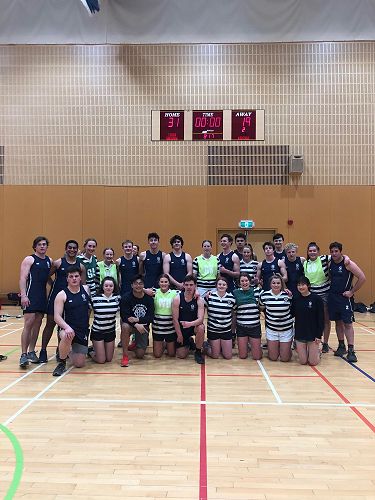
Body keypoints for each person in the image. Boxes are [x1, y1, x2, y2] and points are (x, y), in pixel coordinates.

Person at [38, 239, 86, 363]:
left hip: (71, 300)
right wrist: (53, 284)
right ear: (66, 249)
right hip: (56, 297)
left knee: (64, 326)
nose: (72, 250)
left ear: (77, 249)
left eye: (74, 248)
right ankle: (43, 351)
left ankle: (61, 352)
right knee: (50, 324)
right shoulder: (58, 263)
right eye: (69, 247)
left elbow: (83, 284)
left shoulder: (80, 266)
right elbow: (47, 276)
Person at [303, 241, 350, 353]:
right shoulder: (305, 263)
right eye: (310, 251)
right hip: (311, 294)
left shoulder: (325, 259)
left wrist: (347, 257)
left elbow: (339, 256)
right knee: (312, 319)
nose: (312, 252)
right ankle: (312, 340)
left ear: (318, 252)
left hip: (325, 294)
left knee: (325, 320)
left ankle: (326, 343)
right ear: (308, 252)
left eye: (314, 250)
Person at [328, 242, 366, 362]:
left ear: (341, 251)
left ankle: (351, 350)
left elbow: (362, 277)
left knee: (347, 324)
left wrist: (352, 291)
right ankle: (341, 346)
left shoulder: (348, 263)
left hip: (344, 298)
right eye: (332, 251)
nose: (334, 253)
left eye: (336, 251)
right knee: (338, 323)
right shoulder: (330, 263)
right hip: (333, 297)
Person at [19, 236, 52, 368]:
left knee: (38, 324)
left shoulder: (49, 260)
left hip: (42, 296)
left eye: (44, 244)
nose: (42, 246)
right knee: (28, 323)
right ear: (35, 247)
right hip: (30, 295)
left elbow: (48, 278)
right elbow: (23, 278)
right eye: (40, 244)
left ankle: (32, 351)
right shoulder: (29, 259)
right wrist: (23, 295)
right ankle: (23, 354)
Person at [52, 266, 91, 376]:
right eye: (71, 276)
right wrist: (66, 327)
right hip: (67, 329)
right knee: (66, 336)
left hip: (82, 330)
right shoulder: (61, 295)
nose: (74, 278)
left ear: (80, 278)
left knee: (79, 364)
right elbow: (57, 317)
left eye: (76, 276)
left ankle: (66, 349)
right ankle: (62, 362)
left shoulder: (86, 290)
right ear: (67, 279)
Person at [119, 274, 155, 367]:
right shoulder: (126, 298)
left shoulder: (149, 299)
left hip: (143, 325)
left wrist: (138, 319)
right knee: (125, 326)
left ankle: (136, 343)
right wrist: (136, 324)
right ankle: (125, 356)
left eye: (140, 283)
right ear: (132, 285)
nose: (138, 286)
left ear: (143, 285)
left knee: (140, 355)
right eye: (136, 284)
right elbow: (124, 316)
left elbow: (151, 317)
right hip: (131, 325)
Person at [259, 274, 293, 362]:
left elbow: (293, 310)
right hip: (272, 330)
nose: (276, 285)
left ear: (281, 284)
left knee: (285, 359)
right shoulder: (264, 295)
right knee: (273, 358)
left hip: (286, 330)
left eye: (278, 283)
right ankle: (276, 346)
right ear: (270, 284)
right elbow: (261, 308)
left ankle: (286, 348)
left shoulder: (288, 295)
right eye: (273, 283)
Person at [172, 275, 205, 364]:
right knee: (181, 355)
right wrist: (179, 335)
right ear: (183, 285)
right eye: (186, 285)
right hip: (181, 328)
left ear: (195, 285)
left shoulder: (199, 300)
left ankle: (198, 352)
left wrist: (189, 324)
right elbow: (175, 319)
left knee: (201, 327)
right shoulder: (177, 299)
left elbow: (201, 319)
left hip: (193, 326)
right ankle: (189, 342)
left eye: (191, 285)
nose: (189, 287)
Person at [291, 276, 324, 366]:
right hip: (300, 333)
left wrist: (319, 335)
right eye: (298, 285)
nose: (301, 287)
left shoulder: (317, 299)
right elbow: (291, 313)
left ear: (308, 285)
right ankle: (305, 351)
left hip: (313, 334)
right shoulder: (295, 299)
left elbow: (321, 318)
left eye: (303, 285)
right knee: (303, 361)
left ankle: (318, 350)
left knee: (313, 362)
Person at [89, 277, 120, 364]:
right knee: (101, 360)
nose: (108, 287)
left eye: (111, 286)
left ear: (114, 287)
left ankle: (97, 350)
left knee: (109, 359)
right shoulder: (95, 299)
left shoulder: (117, 299)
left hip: (110, 331)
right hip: (98, 331)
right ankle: (90, 352)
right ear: (102, 287)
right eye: (106, 285)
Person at [204, 277, 236, 360]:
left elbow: (234, 313)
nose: (221, 286)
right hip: (213, 330)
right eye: (219, 284)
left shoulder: (231, 298)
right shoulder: (210, 297)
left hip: (226, 331)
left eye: (224, 284)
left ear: (227, 286)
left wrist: (233, 331)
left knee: (228, 356)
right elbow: (201, 307)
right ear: (216, 286)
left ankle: (220, 346)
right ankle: (206, 345)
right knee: (215, 356)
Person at [233, 272, 262, 360]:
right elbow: (233, 310)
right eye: (242, 281)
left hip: (255, 327)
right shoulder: (235, 293)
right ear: (239, 283)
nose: (244, 283)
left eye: (246, 281)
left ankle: (254, 345)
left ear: (250, 281)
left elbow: (263, 304)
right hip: (241, 327)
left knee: (257, 357)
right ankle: (247, 345)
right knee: (242, 356)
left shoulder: (257, 291)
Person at [152, 274, 179, 358]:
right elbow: (142, 290)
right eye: (162, 282)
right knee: (157, 355)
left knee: (171, 354)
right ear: (159, 283)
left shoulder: (175, 293)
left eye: (166, 282)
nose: (164, 284)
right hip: (158, 327)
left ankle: (167, 344)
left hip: (170, 328)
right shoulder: (154, 292)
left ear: (169, 283)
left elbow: (187, 292)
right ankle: (162, 344)